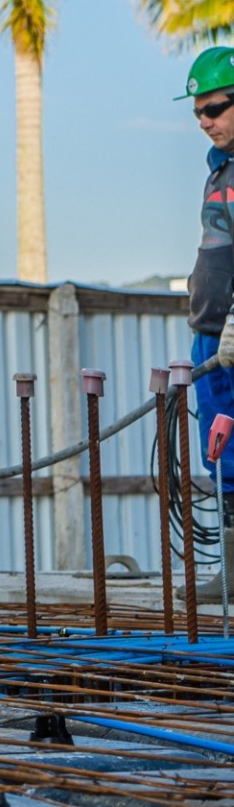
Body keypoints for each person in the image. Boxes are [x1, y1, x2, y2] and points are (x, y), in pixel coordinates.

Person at [180, 47, 234, 577]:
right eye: (197, 111)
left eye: (214, 109)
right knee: (221, 455)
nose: (203, 121)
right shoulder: (219, 167)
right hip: (212, 336)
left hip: (232, 333)